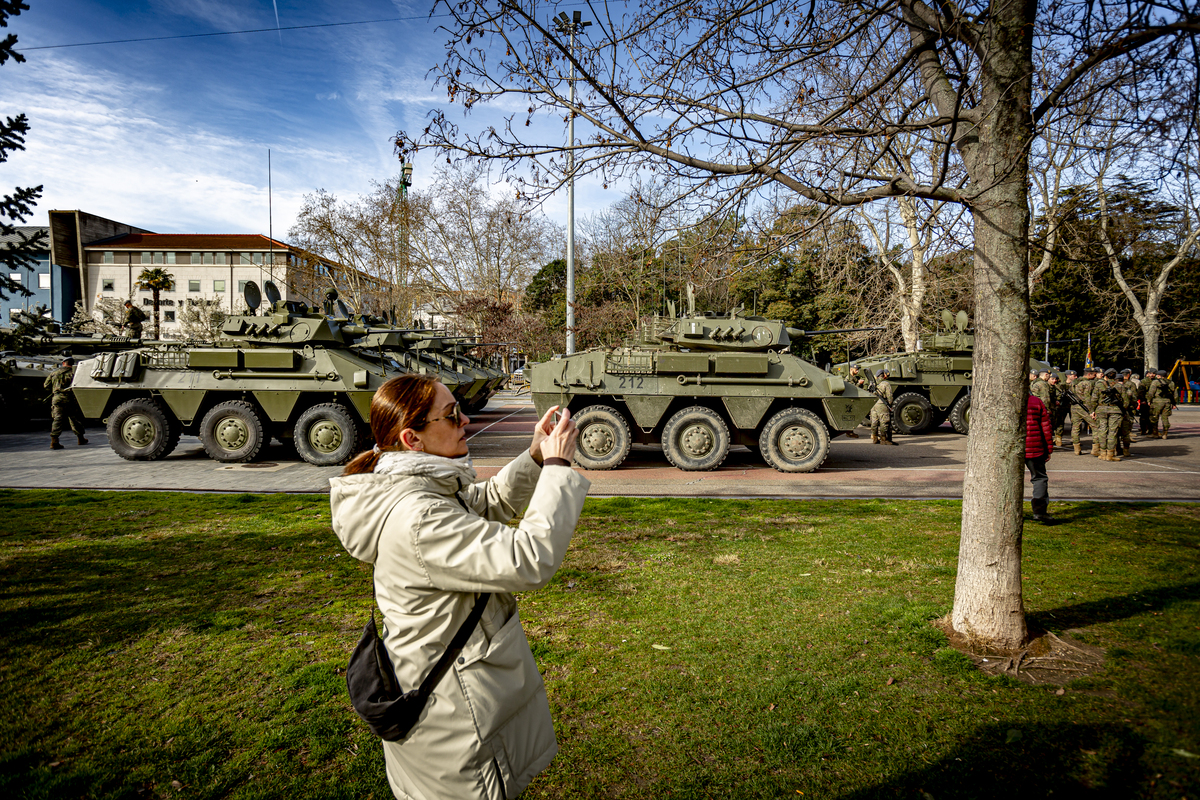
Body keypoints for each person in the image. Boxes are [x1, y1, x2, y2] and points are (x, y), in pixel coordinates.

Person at [329, 374, 590, 800]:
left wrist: (536, 457)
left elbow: (482, 504)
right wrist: (559, 468)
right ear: (412, 438)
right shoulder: (419, 517)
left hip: (445, 697)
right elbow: (528, 559)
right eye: (451, 415)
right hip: (450, 718)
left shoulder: (414, 484)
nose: (465, 420)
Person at [44, 356, 87, 450]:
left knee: (57, 419)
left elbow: (46, 385)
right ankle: (81, 438)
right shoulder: (74, 373)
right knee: (74, 419)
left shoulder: (54, 373)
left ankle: (54, 441)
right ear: (72, 364)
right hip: (70, 399)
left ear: (63, 363)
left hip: (57, 399)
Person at [1026, 389, 1055, 524]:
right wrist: (1048, 448)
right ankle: (1039, 511)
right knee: (1039, 478)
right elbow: (1046, 427)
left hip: (1012, 447)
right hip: (1034, 446)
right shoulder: (1036, 401)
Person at [870, 368, 897, 445]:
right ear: (883, 375)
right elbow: (889, 396)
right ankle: (883, 439)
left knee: (874, 421)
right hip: (882, 404)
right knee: (884, 422)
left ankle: (874, 439)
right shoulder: (886, 384)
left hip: (873, 404)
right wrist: (890, 404)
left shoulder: (872, 383)